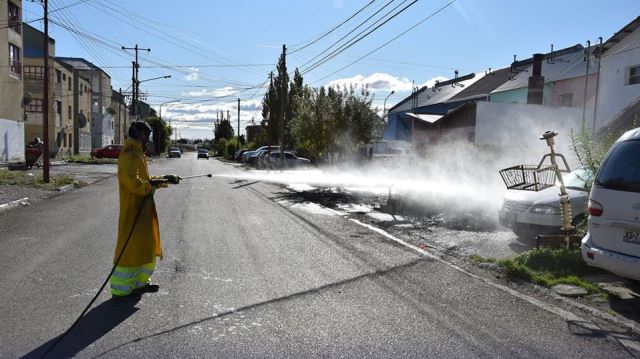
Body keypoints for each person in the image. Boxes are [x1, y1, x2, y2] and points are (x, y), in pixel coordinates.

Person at [110, 121, 180, 300]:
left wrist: (165, 179)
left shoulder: (138, 153)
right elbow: (132, 182)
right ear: (137, 133)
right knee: (130, 251)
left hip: (143, 212)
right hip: (132, 211)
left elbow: (145, 179)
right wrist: (150, 187)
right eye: (145, 134)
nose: (147, 138)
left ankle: (140, 283)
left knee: (144, 248)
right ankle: (121, 289)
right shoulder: (129, 153)